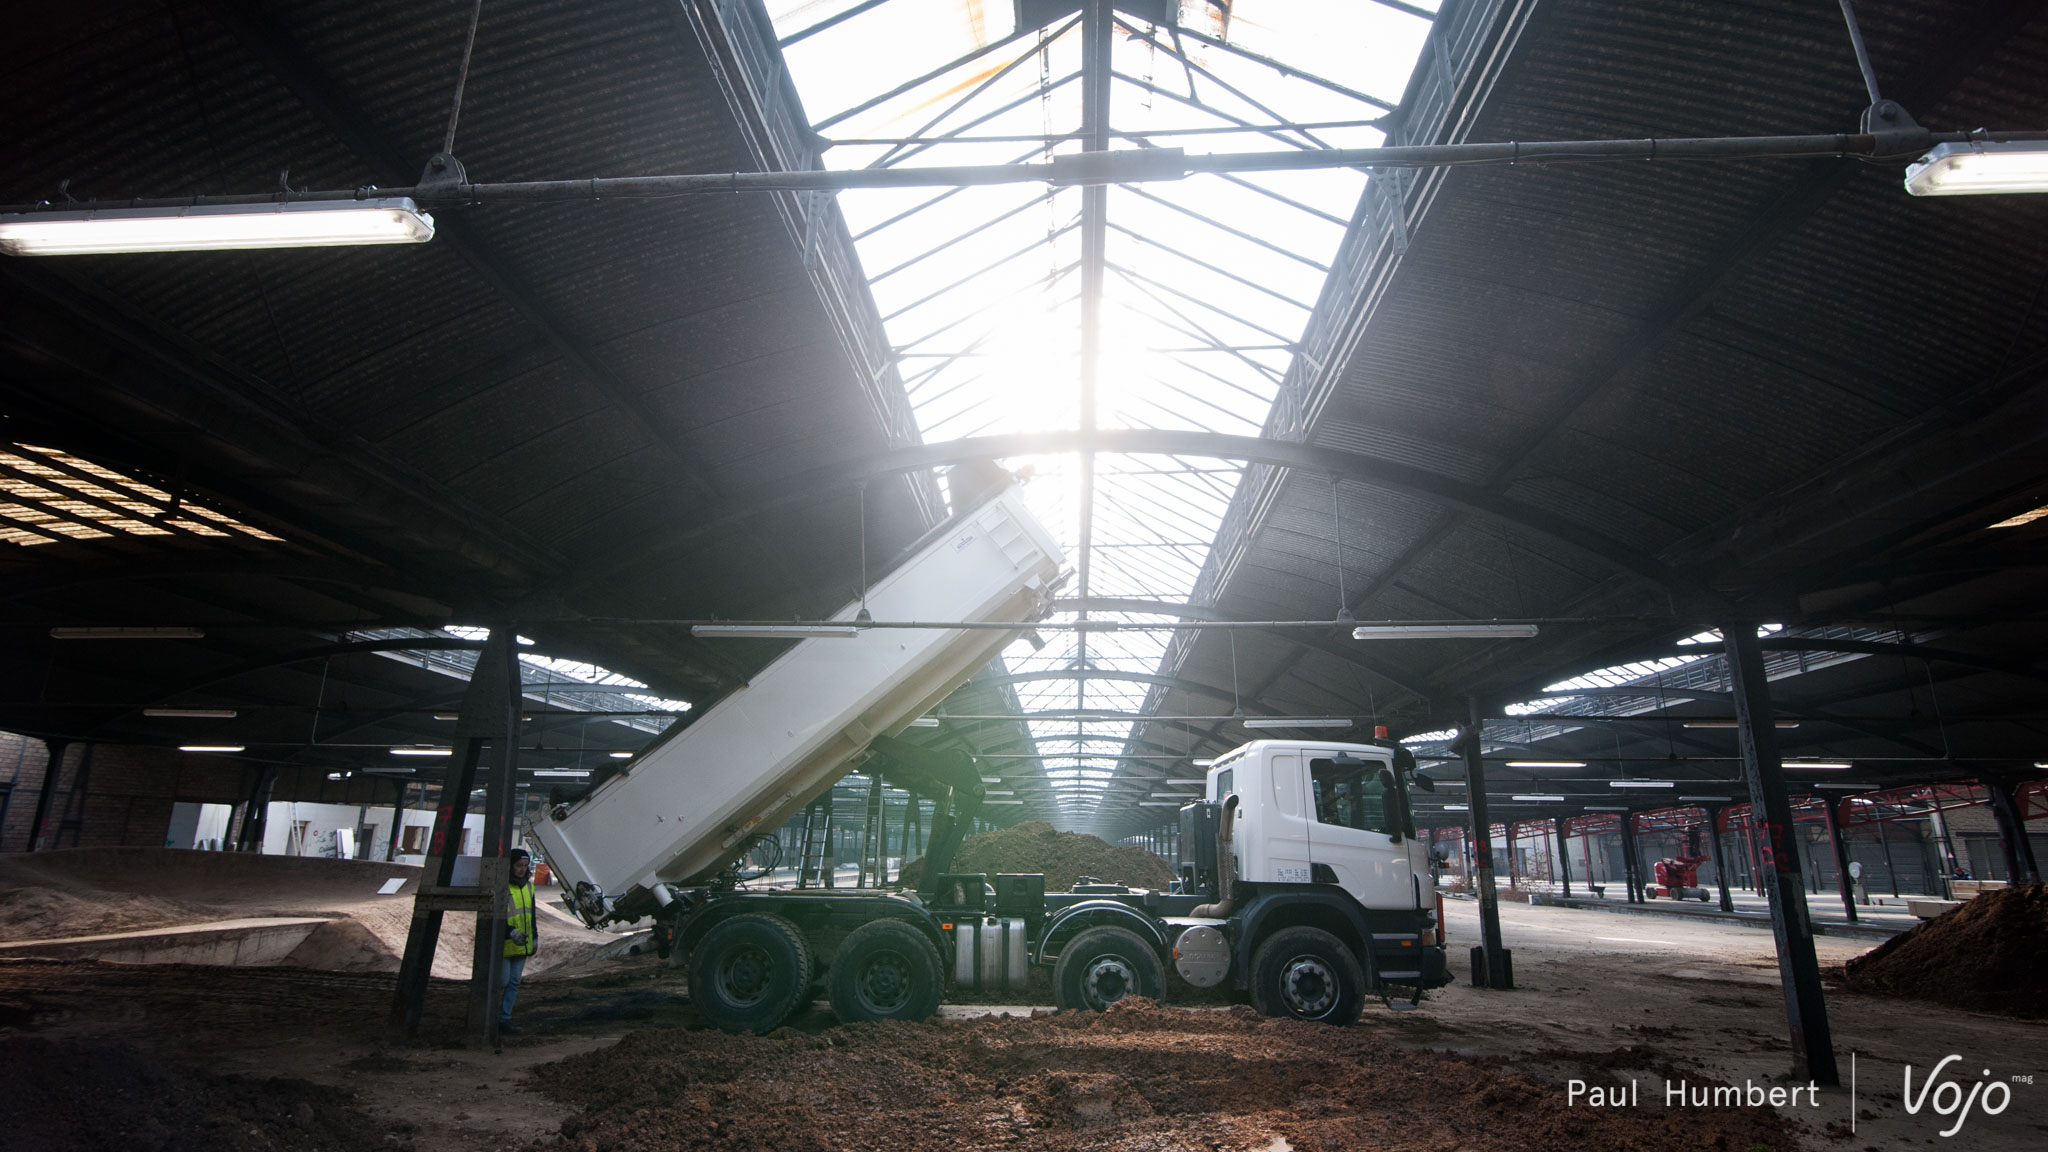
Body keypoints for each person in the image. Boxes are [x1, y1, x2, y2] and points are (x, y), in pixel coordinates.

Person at [500, 848, 538, 1033]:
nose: (522, 869)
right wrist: (510, 933)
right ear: (510, 866)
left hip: (521, 944)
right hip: (505, 944)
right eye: (518, 866)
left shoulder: (529, 887)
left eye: (525, 866)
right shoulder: (502, 887)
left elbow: (532, 916)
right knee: (503, 981)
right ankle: (493, 1017)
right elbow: (497, 916)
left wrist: (534, 937)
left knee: (513, 982)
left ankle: (504, 1019)